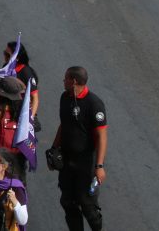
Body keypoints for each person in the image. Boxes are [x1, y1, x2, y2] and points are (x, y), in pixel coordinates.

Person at [50, 66, 107, 231]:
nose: (63, 81)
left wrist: (100, 166)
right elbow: (64, 124)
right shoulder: (65, 98)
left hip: (86, 163)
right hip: (68, 161)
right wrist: (54, 148)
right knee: (67, 201)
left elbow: (101, 136)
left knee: (87, 203)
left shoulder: (93, 104)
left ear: (73, 81)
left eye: (65, 78)